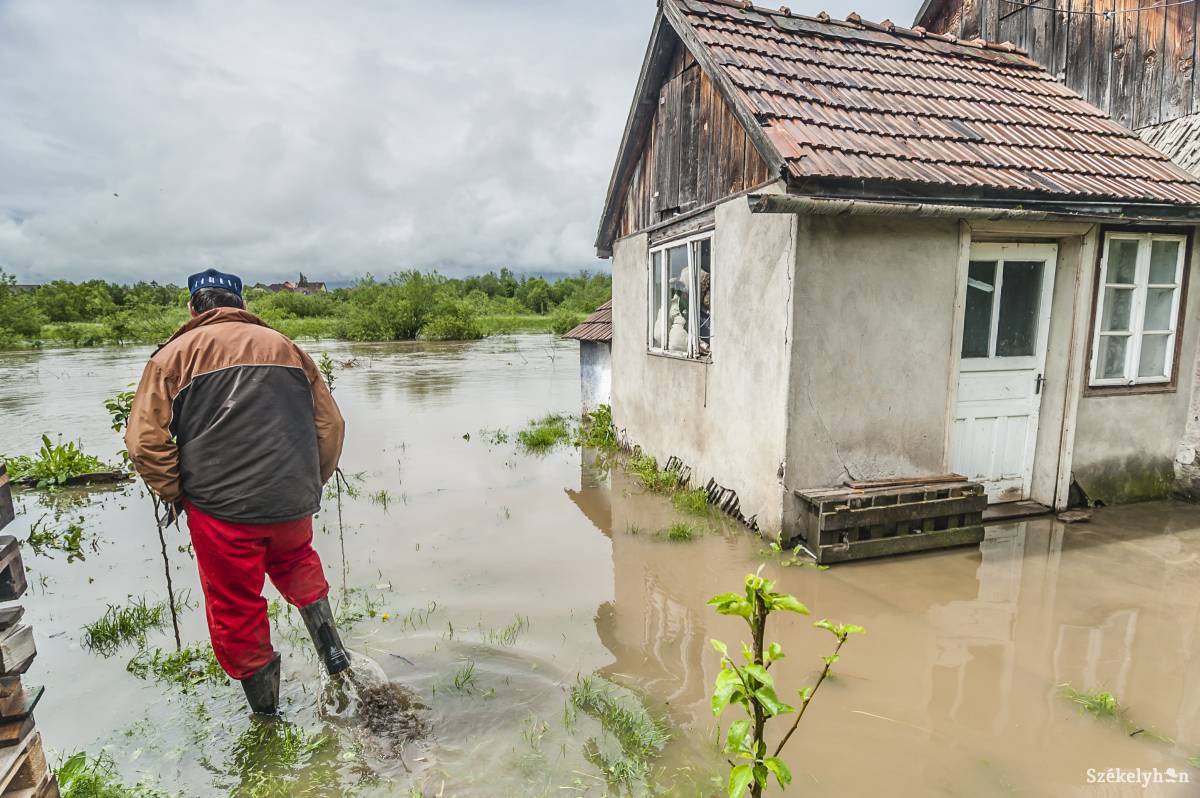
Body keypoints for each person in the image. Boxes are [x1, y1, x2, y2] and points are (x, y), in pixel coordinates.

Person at [124, 268, 349, 715]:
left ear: (193, 308)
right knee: (299, 566)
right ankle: (336, 659)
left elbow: (143, 442)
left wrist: (180, 491)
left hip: (221, 510)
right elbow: (331, 426)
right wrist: (309, 483)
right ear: (242, 305)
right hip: (290, 503)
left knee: (236, 605)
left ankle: (266, 718)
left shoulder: (172, 357)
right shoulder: (288, 348)